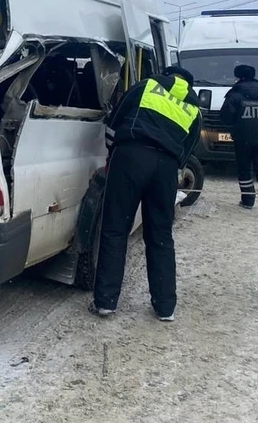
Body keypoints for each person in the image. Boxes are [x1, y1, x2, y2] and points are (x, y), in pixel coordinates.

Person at [89, 65, 202, 322]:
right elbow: (188, 151)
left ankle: (106, 302)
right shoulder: (194, 109)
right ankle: (165, 308)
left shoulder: (147, 86)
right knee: (160, 235)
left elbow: (115, 121)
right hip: (166, 168)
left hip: (131, 155)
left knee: (115, 229)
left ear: (167, 74)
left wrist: (111, 154)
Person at [220, 64, 258, 209]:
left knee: (244, 170)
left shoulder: (235, 93)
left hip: (242, 139)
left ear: (238, 76)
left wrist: (233, 126)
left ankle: (248, 201)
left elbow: (225, 117)